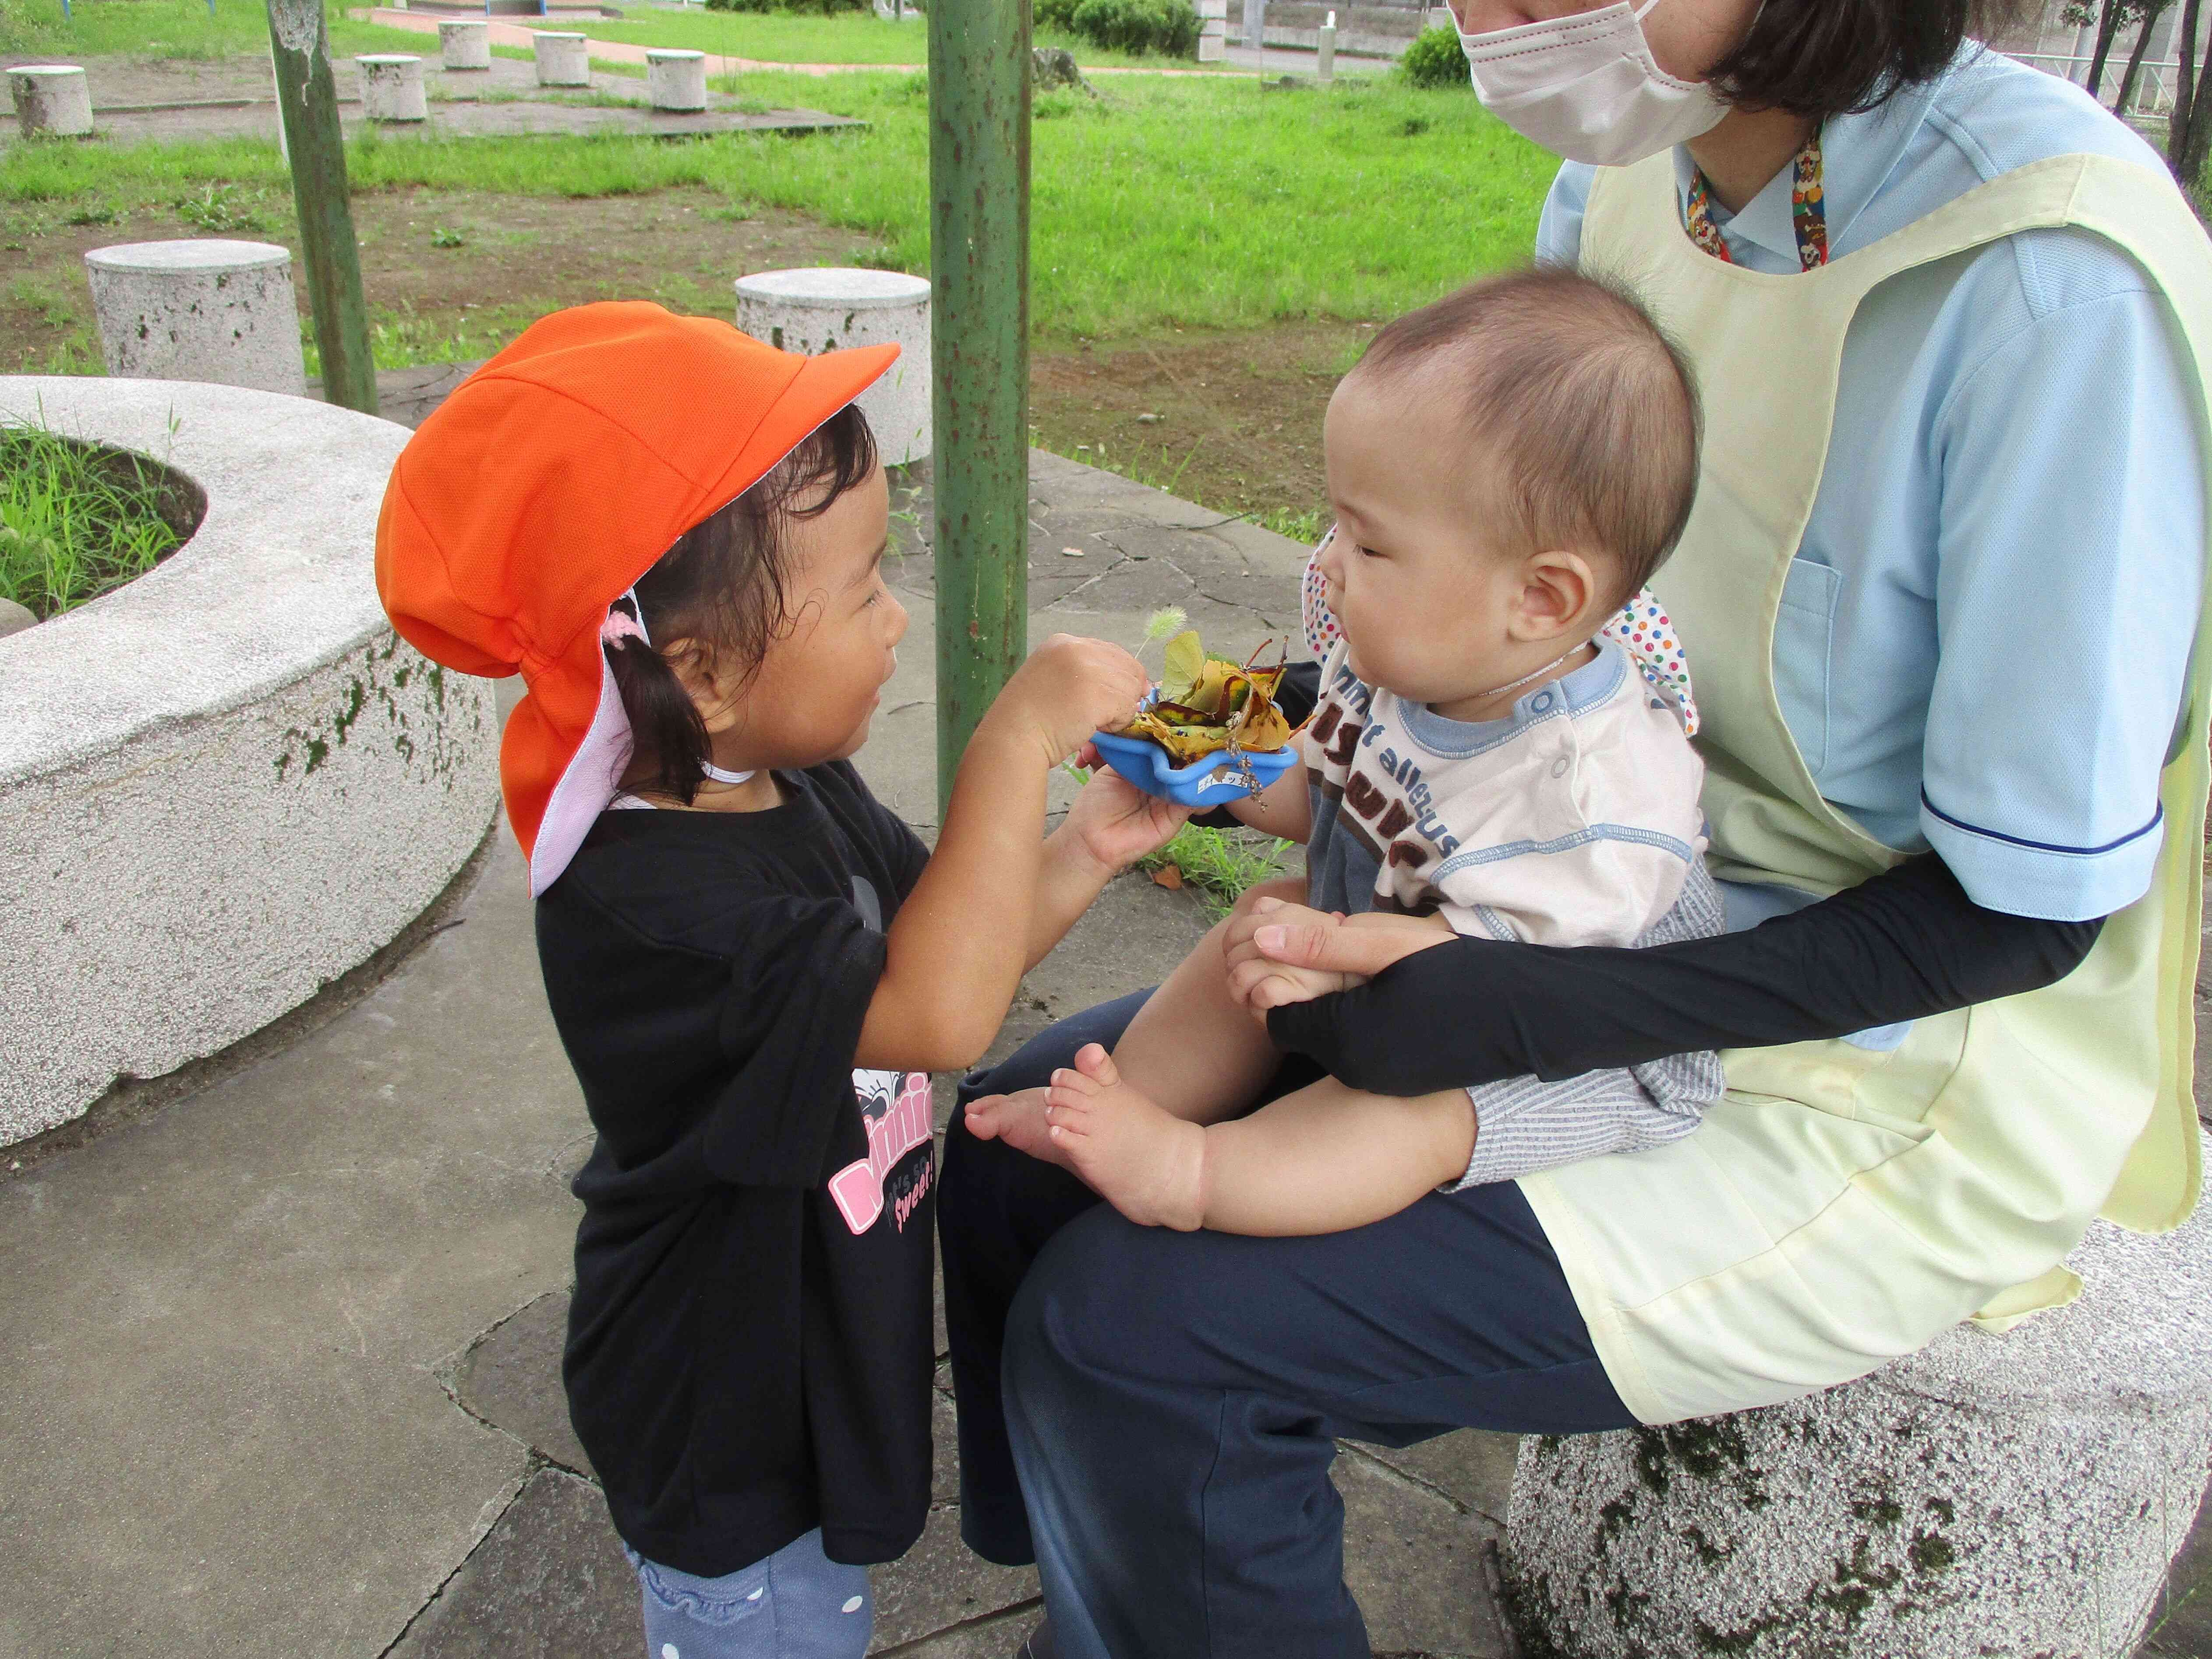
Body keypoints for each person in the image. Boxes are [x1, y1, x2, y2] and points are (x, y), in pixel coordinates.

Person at [937, 3, 2212, 1655]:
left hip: (1862, 1057)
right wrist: (1226, 728)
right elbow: (1494, 611)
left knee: (1144, 1331)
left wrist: (1525, 1005)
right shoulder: (1631, 171)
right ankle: (1122, 1600)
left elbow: (2025, 914)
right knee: (1016, 1146)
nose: (1499, 11)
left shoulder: (2047, 290)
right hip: (1520, 898)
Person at [373, 302, 1184, 1659]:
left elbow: (942, 942)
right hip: (719, 1411)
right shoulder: (654, 908)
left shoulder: (775, 773)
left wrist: (1082, 847)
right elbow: (939, 1013)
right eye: (863, 587)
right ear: (701, 670)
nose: (893, 616)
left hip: (814, 1345)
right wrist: (1011, 741)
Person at [965, 268, 1725, 1236]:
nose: (1324, 563)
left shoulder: (1591, 799)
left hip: (1578, 1044)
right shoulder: (1419, 662)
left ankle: (1197, 1172)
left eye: (1368, 548)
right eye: (1336, 526)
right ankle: (1139, 1099)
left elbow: (1504, 995)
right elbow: (1325, 799)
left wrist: (1341, 974)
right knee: (1268, 912)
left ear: (1539, 600)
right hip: (1404, 948)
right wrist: (1210, 764)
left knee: (1413, 1110)